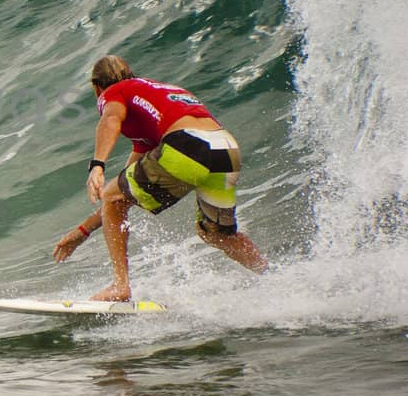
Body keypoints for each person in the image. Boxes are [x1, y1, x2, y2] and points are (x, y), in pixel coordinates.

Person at [52, 55, 268, 301]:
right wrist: (83, 231)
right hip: (226, 148)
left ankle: (120, 287)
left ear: (97, 87)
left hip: (188, 144)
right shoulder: (159, 95)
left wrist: (97, 165)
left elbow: (111, 118)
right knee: (216, 233)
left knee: (113, 196)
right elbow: (121, 195)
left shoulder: (115, 91)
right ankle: (271, 277)